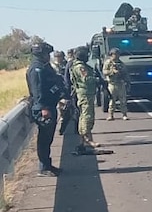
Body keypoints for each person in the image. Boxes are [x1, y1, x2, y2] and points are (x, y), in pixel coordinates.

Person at [26, 42, 65, 176]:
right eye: (46, 54)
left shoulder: (44, 67)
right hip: (44, 107)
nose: (48, 56)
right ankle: (44, 167)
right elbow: (38, 91)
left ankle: (47, 165)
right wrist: (43, 108)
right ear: (40, 54)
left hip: (49, 105)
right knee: (44, 138)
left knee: (48, 139)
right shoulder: (36, 69)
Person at [68, 46, 98, 155]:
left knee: (83, 116)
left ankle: (84, 139)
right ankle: (86, 139)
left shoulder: (78, 65)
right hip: (85, 93)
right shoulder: (80, 67)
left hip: (85, 93)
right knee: (87, 116)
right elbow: (86, 79)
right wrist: (97, 79)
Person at [102, 50, 129, 120]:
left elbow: (125, 73)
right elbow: (104, 71)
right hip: (112, 83)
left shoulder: (121, 63)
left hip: (120, 83)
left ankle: (124, 114)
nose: (117, 55)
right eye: (115, 54)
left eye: (118, 54)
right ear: (111, 55)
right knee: (112, 100)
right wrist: (112, 72)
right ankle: (110, 115)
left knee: (123, 100)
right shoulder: (108, 62)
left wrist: (127, 80)